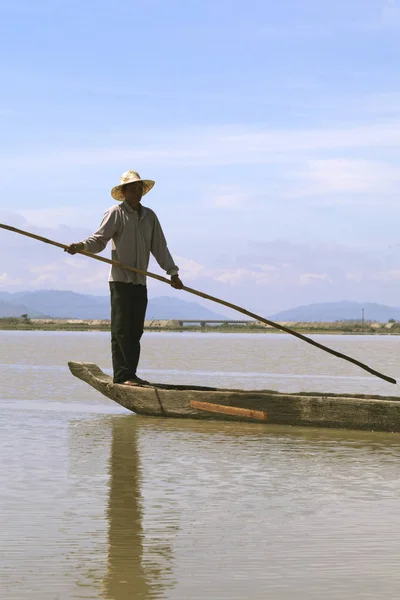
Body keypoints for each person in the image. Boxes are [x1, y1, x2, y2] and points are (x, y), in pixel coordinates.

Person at [65, 170, 183, 387]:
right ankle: (122, 376)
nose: (138, 192)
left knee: (136, 330)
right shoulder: (116, 212)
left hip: (140, 281)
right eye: (134, 188)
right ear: (124, 191)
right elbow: (99, 240)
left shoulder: (149, 216)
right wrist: (81, 246)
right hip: (120, 280)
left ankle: (132, 374)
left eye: (140, 188)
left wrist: (172, 272)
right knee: (121, 330)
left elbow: (160, 247)